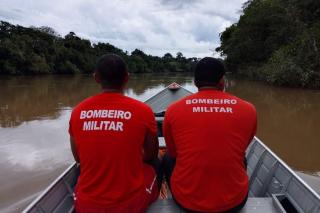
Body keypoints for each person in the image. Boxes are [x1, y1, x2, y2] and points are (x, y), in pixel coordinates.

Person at [163, 57, 257, 212]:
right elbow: (243, 146)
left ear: (195, 82)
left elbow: (173, 153)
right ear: (222, 81)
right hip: (234, 202)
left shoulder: (173, 110)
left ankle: (172, 193)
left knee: (167, 157)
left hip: (187, 201)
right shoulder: (249, 109)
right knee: (241, 156)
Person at [68, 53, 160, 213]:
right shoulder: (143, 111)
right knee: (156, 164)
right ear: (127, 78)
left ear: (96, 78)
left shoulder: (78, 111)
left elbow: (78, 158)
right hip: (130, 206)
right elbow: (151, 154)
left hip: (86, 206)